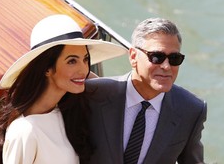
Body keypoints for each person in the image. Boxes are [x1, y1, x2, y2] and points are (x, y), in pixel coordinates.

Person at [0, 14, 127, 164]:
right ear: (46, 68)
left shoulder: (64, 112)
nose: (83, 69)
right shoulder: (25, 131)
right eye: (72, 61)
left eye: (85, 59)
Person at [84, 17, 207, 164]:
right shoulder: (92, 95)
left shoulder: (191, 110)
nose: (167, 67)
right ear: (133, 56)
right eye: (157, 57)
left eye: (174, 58)